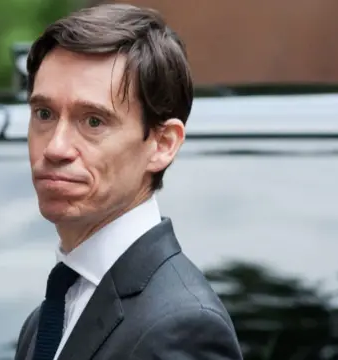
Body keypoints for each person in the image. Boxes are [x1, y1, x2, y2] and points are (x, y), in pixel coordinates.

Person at [14, 3, 242, 360]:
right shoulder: (50, 315)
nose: (56, 147)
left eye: (93, 122)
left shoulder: (180, 326)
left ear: (163, 144)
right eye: (44, 114)